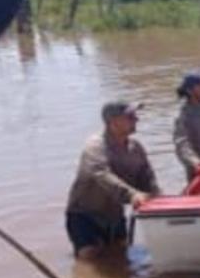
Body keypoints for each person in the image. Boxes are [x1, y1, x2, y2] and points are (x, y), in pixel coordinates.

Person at [65, 101, 160, 259]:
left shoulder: (136, 148)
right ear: (113, 122)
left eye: (135, 116)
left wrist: (158, 199)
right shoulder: (95, 147)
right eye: (130, 117)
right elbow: (103, 175)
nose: (136, 120)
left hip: (115, 214)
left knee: (120, 257)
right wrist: (132, 195)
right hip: (85, 215)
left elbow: (147, 176)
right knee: (89, 259)